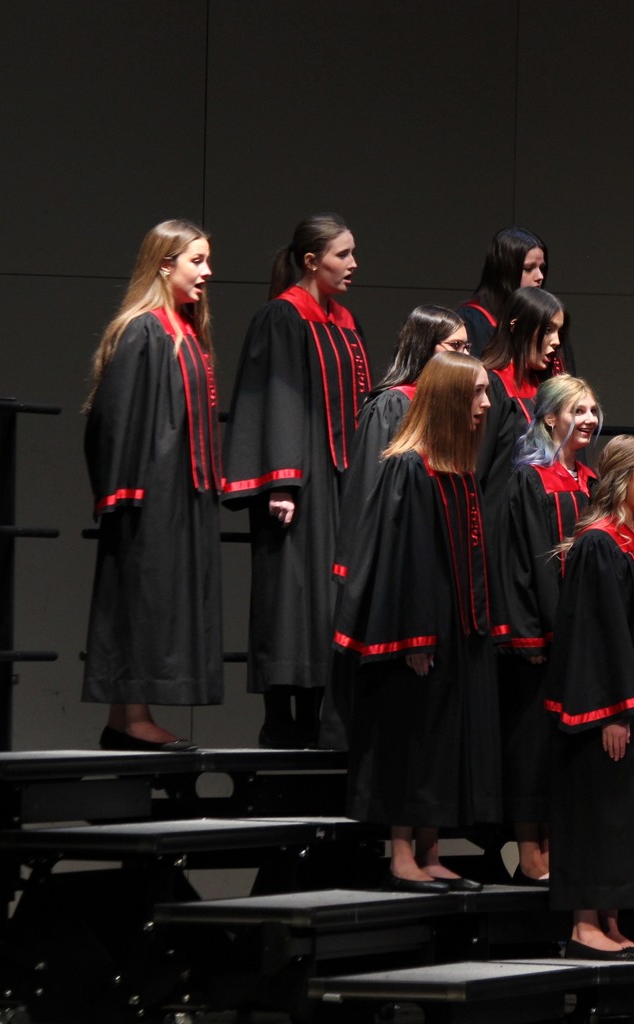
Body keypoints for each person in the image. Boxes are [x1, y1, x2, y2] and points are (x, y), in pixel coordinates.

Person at [333, 352, 501, 892]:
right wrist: (416, 635)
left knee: (440, 741)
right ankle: (402, 851)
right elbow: (405, 559)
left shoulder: (457, 467)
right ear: (450, 398)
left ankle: (430, 848)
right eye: (476, 393)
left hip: (453, 629)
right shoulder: (411, 464)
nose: (485, 404)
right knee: (409, 737)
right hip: (417, 631)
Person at [223, 213, 371, 748]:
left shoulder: (343, 322)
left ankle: (317, 713)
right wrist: (283, 482)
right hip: (298, 483)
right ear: (312, 261)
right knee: (291, 594)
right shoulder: (283, 318)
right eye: (343, 255)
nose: (353, 265)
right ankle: (281, 719)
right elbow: (276, 400)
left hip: (337, 480)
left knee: (326, 598)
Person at [82, 219, 222, 751]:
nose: (207, 273)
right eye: (197, 261)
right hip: (148, 493)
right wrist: (122, 489)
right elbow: (111, 417)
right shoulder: (143, 329)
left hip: (180, 492)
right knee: (140, 598)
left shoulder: (183, 330)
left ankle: (127, 718)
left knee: (158, 601)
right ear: (165, 264)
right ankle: (131, 716)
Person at [545, 435, 634, 960]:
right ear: (622, 478)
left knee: (622, 817)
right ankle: (586, 927)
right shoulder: (598, 543)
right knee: (597, 813)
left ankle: (611, 920)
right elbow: (597, 635)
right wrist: (613, 709)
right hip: (603, 711)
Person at [321, 306, 469, 749]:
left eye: (467, 347)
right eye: (455, 347)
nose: (466, 357)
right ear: (426, 348)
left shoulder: (445, 410)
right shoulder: (393, 404)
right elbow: (367, 491)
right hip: (383, 555)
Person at [497, 376, 600, 884]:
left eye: (592, 410)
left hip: (578, 641)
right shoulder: (530, 480)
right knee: (532, 743)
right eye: (577, 410)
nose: (589, 419)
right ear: (550, 417)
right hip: (540, 639)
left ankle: (557, 843)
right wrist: (531, 634)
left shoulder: (589, 482)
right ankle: (529, 850)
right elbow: (522, 564)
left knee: (565, 746)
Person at [478, 287, 575, 525]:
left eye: (559, 331)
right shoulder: (492, 385)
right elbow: (479, 470)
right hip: (502, 523)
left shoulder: (544, 388)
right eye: (549, 330)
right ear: (516, 326)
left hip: (540, 521)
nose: (557, 342)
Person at [458, 226, 550, 355]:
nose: (540, 276)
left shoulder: (546, 320)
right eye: (529, 268)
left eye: (542, 268)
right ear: (506, 272)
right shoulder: (474, 320)